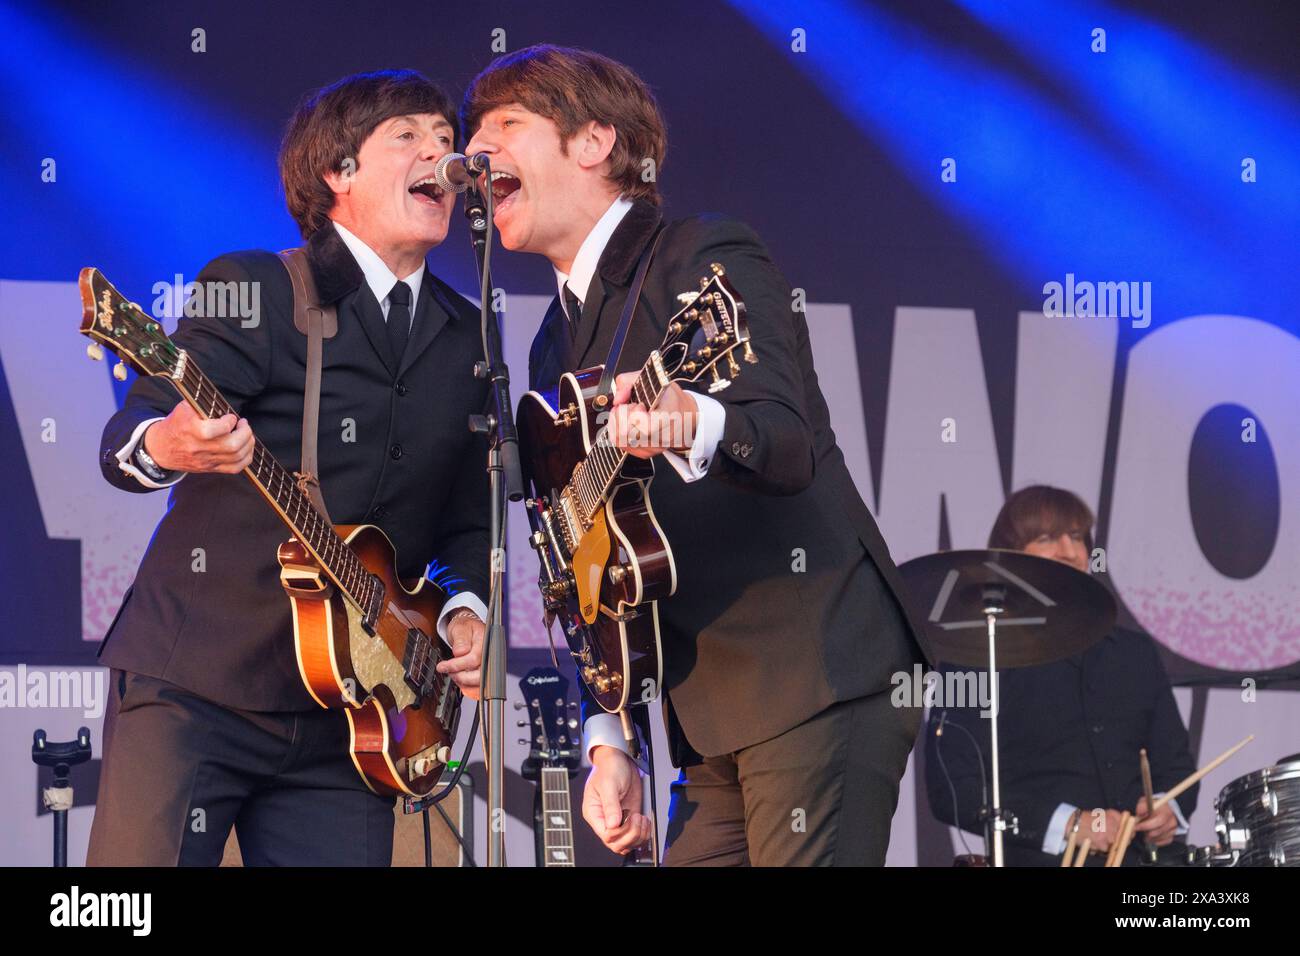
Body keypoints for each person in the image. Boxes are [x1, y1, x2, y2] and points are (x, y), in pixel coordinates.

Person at [462, 45, 933, 866]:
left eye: (506, 124)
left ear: (594, 142)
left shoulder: (702, 254)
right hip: (704, 715)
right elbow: (580, 573)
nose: (477, 151)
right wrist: (610, 739)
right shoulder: (550, 349)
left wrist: (691, 421)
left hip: (812, 667)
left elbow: (785, 442)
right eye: (474, 131)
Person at [87, 70, 490, 866]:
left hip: (354, 716)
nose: (440, 153)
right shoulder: (258, 286)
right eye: (407, 136)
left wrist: (462, 610)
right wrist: (169, 446)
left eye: (447, 139)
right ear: (338, 174)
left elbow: (470, 513)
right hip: (199, 681)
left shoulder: (470, 335)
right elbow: (131, 433)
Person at [924, 485, 1198, 866]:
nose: (1070, 551)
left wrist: (1169, 810)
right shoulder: (972, 658)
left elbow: (1177, 769)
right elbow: (951, 789)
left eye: (1077, 537)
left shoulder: (1135, 652)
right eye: (1046, 537)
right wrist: (1068, 823)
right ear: (1009, 555)